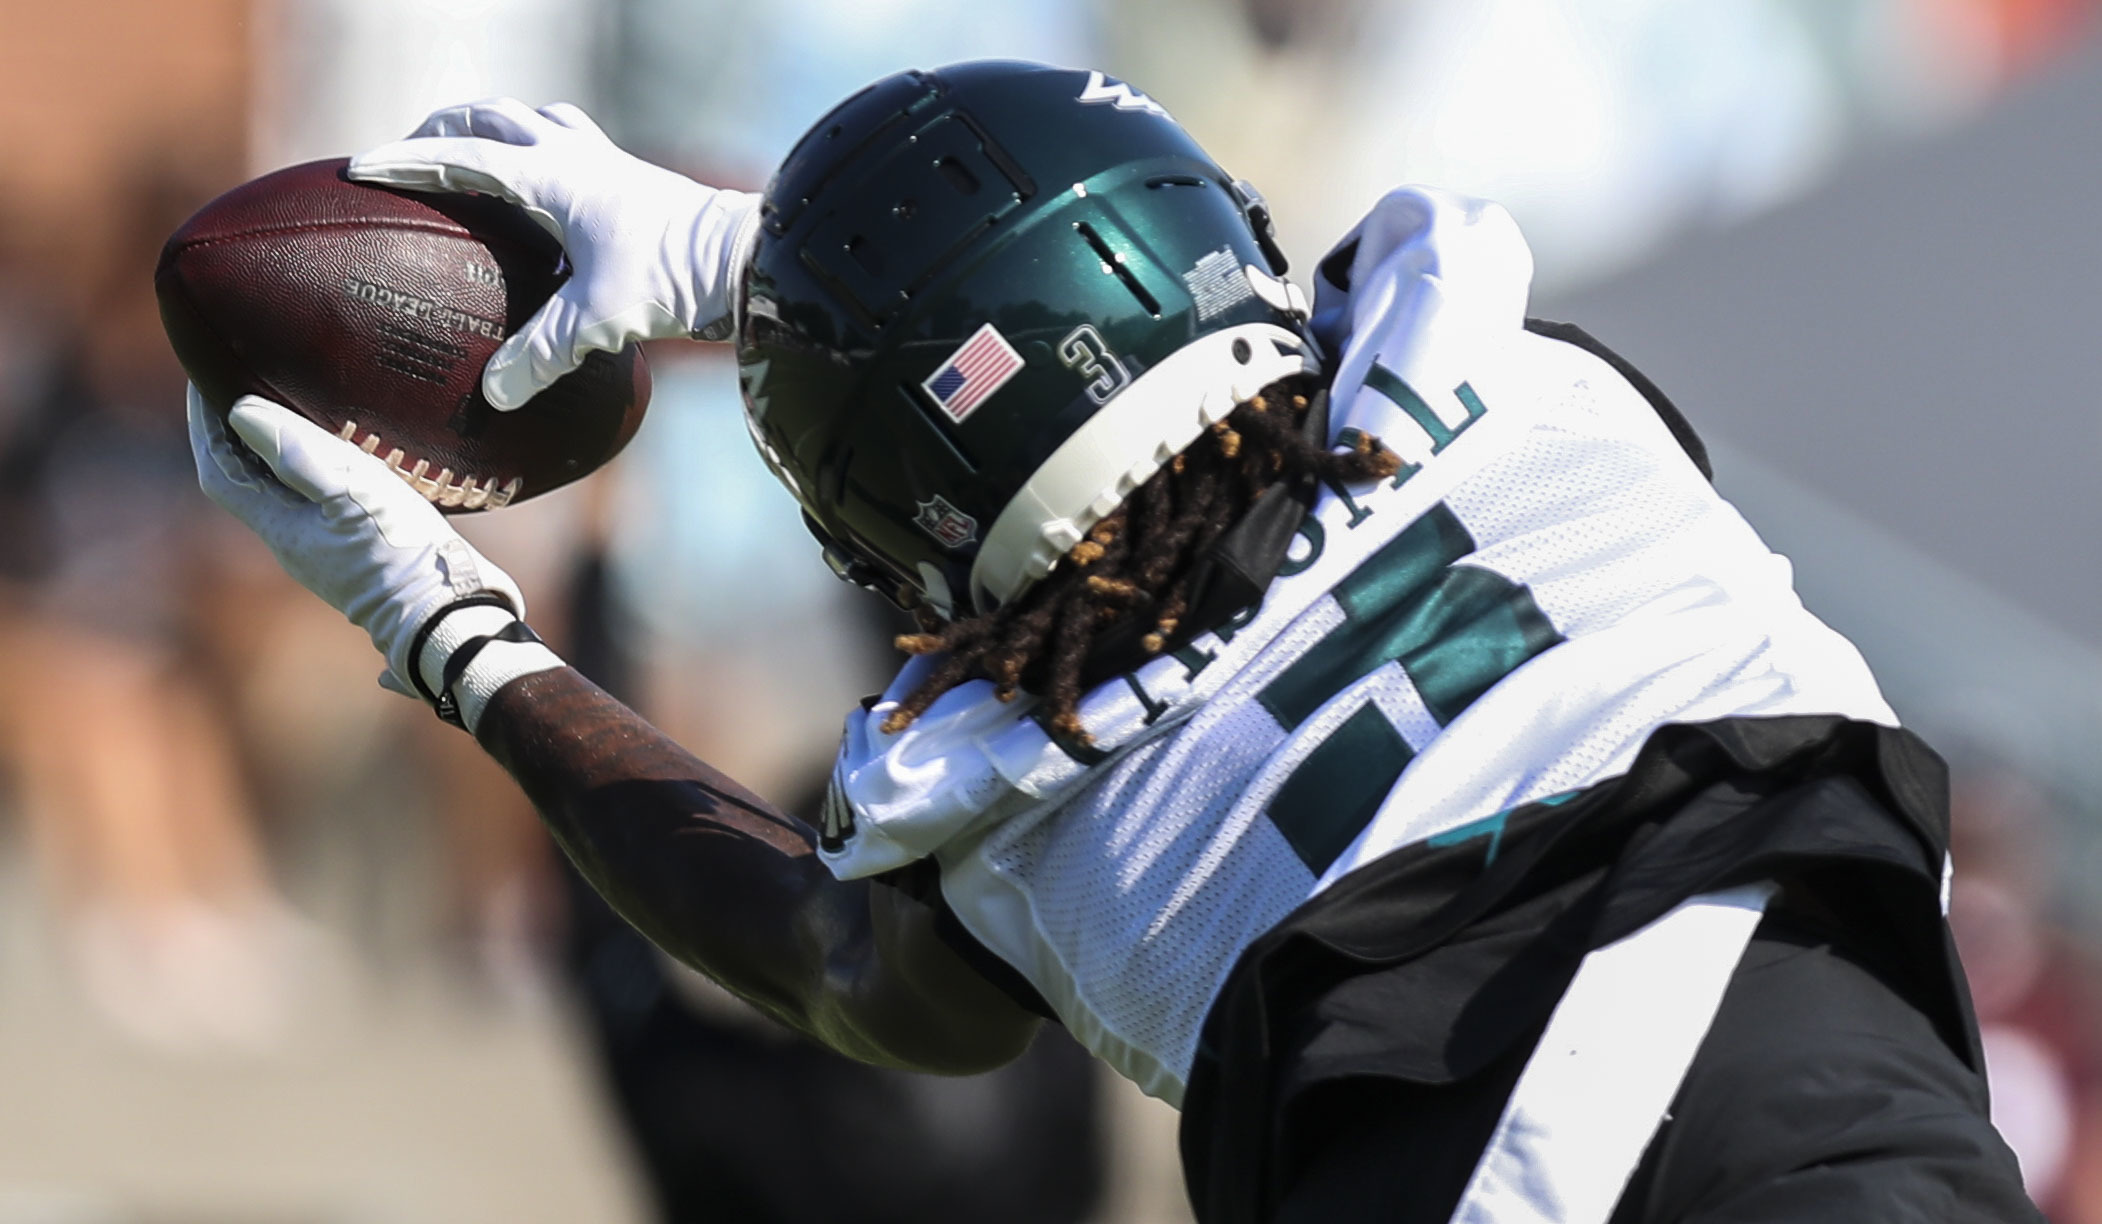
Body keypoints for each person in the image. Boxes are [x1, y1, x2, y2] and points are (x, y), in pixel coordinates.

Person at [187, 62, 2039, 1222]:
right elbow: (1204, 381)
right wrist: (746, 254)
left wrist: (455, 640)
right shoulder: (1559, 416)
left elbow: (826, 961)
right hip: (1832, 1119)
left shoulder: (1019, 833)